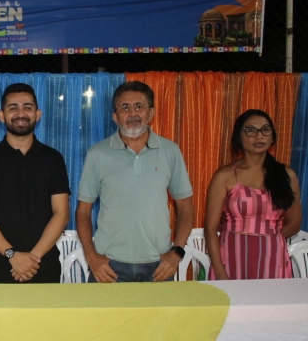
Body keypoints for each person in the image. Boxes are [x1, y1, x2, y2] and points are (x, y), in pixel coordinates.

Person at [75, 81, 194, 282]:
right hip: (108, 267)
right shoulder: (97, 154)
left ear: (151, 113)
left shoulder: (170, 151)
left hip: (159, 266)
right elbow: (83, 211)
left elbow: (186, 207)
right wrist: (92, 257)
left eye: (139, 106)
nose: (133, 114)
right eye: (125, 107)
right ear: (115, 117)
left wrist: (176, 253)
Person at [0, 83, 70, 283]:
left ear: (38, 114)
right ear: (1, 115)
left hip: (44, 265)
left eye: (27, 107)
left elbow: (61, 213)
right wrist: (13, 256)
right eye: (13, 108)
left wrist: (32, 259)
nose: (21, 113)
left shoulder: (53, 159)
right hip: (0, 266)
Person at [205, 109, 302, 279]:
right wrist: (220, 271)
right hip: (231, 257)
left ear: (272, 137)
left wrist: (268, 240)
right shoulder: (224, 176)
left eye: (265, 129)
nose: (259, 136)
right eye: (251, 130)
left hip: (273, 259)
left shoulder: (286, 176)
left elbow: (294, 223)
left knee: (271, 297)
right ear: (238, 137)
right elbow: (210, 230)